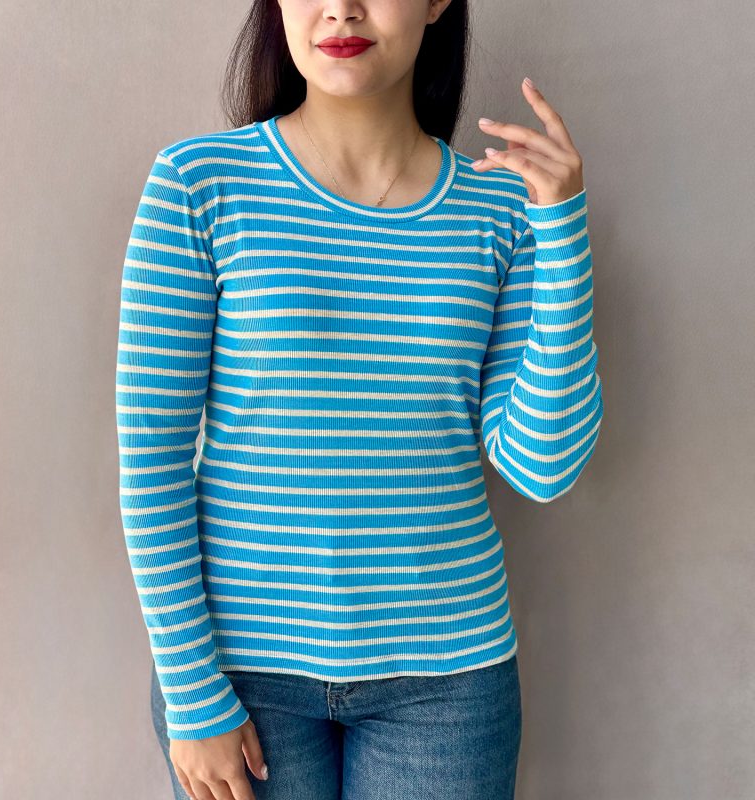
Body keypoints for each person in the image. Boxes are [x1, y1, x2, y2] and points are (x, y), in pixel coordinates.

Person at [114, 0, 603, 798]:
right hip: (239, 677)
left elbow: (542, 467)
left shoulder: (503, 210)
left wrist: (563, 231)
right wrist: (192, 694)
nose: (341, 7)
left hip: (448, 683)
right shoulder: (200, 184)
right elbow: (152, 460)